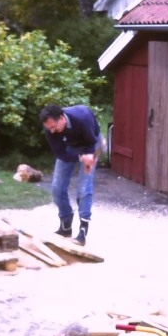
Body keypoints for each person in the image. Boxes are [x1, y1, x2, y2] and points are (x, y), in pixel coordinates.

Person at [39, 103, 103, 246]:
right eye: (49, 128)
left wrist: (88, 159)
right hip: (70, 147)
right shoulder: (49, 126)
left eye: (54, 127)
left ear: (62, 118)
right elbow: (60, 153)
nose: (52, 131)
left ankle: (82, 232)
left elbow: (91, 142)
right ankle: (66, 226)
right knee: (57, 188)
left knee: (83, 188)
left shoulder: (83, 117)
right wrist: (80, 157)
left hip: (91, 143)